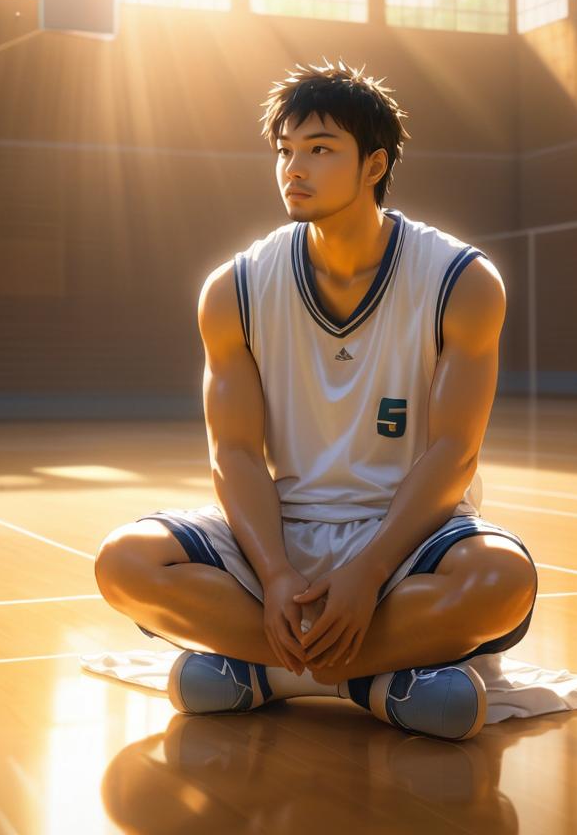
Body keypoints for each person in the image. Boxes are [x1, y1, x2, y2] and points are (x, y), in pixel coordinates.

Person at [94, 57, 538, 740]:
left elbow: (454, 453)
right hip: (281, 532)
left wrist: (368, 572)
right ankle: (375, 681)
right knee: (123, 562)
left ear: (374, 166)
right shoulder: (234, 288)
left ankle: (264, 674)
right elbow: (234, 451)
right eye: (285, 151)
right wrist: (272, 573)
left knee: (503, 583)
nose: (293, 168)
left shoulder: (462, 279)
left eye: (321, 149)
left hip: (411, 534)